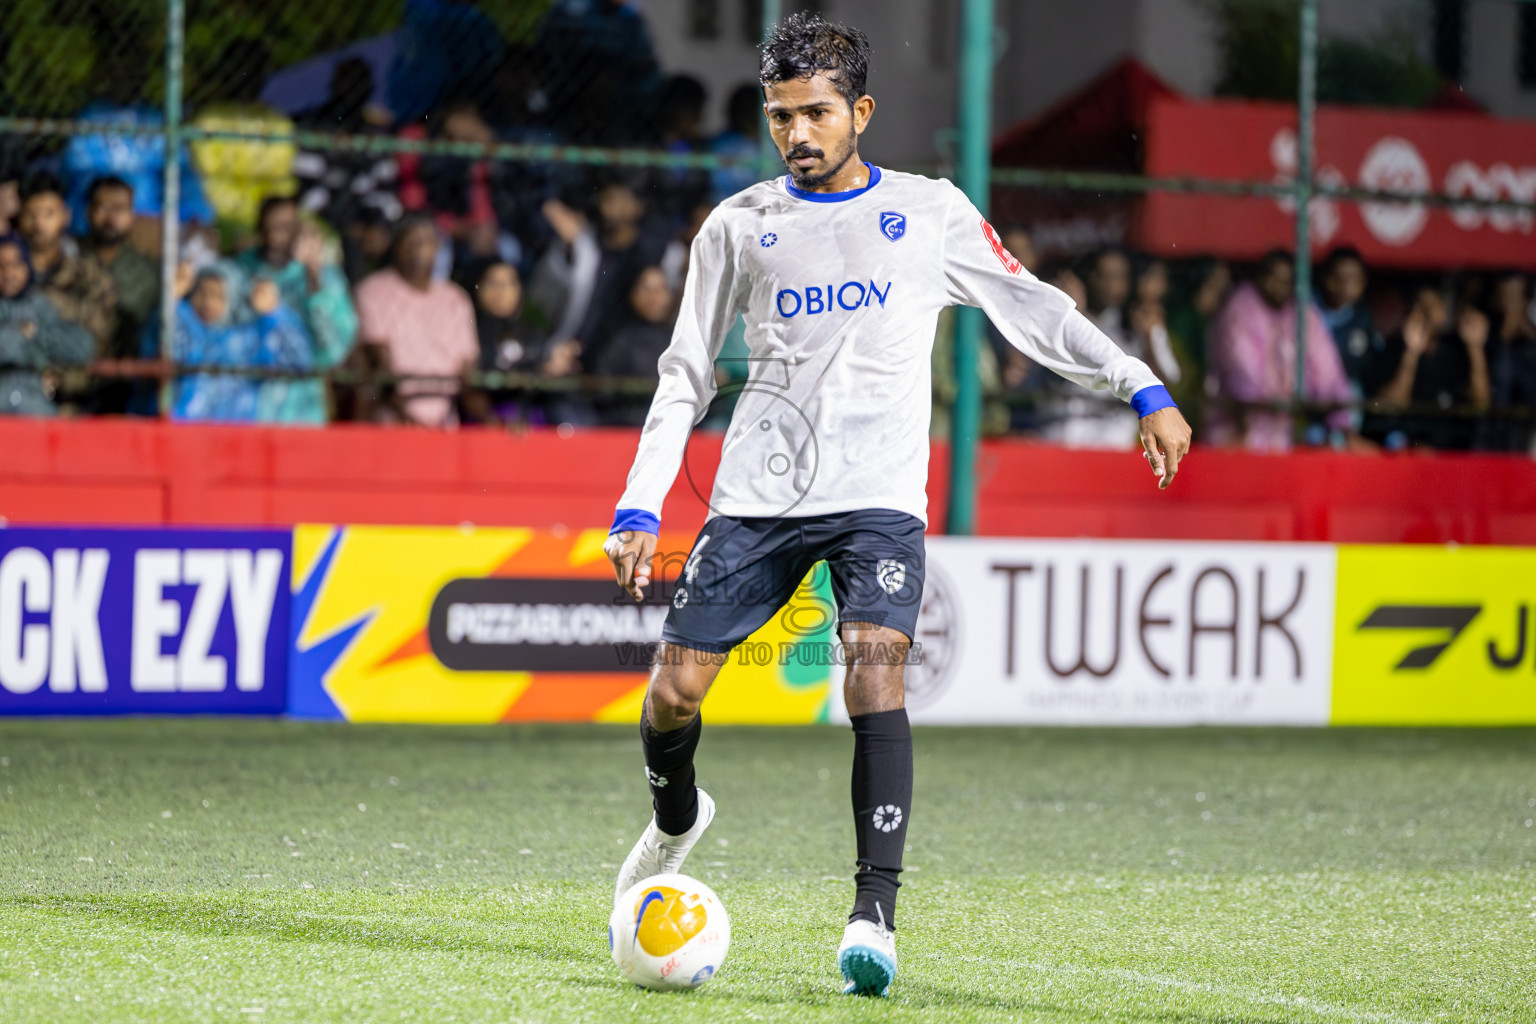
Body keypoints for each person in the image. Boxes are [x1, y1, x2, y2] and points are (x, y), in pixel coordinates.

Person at [600, 14, 1190, 1000]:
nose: (798, 132)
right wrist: (638, 505)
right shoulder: (738, 226)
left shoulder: (929, 212)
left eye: (818, 113)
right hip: (755, 501)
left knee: (875, 678)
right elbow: (684, 374)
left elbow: (1030, 305)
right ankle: (674, 818)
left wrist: (1140, 384)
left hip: (878, 501)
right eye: (782, 114)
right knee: (673, 695)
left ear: (861, 112)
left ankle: (873, 913)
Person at [1204, 250, 1353, 451]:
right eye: (1274, 278)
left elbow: (1328, 372)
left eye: (1287, 280)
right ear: (1261, 278)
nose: (1280, 286)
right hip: (1237, 428)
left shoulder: (1302, 313)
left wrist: (1343, 424)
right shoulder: (1239, 309)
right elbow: (1242, 374)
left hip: (1284, 432)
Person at [234, 196, 359, 424]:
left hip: (301, 407)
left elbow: (332, 351)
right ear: (259, 228)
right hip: (245, 404)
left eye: (287, 225)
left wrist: (313, 279)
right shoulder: (238, 271)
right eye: (271, 224)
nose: (278, 232)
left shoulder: (325, 277)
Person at [353, 217, 479, 426]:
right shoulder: (373, 291)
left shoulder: (456, 299)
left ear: (437, 247)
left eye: (425, 242)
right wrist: (412, 422)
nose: (417, 249)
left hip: (445, 423)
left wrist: (492, 421)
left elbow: (467, 373)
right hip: (391, 420)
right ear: (396, 246)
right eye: (410, 242)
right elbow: (381, 369)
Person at [154, 261, 312, 423]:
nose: (208, 303)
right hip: (182, 434)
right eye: (201, 293)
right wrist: (171, 301)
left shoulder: (250, 337)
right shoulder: (187, 326)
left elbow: (298, 365)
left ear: (234, 298)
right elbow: (159, 347)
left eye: (218, 296)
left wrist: (274, 314)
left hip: (235, 437)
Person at [189, 40, 298, 249]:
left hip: (267, 219)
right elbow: (207, 181)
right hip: (216, 217)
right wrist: (244, 222)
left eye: (257, 70)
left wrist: (267, 221)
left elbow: (281, 182)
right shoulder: (210, 119)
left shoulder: (278, 122)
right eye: (242, 69)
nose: (249, 77)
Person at [1363, 285, 1490, 451]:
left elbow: (1481, 404)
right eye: (1422, 305)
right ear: (1411, 310)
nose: (1428, 313)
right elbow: (1391, 407)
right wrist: (1411, 352)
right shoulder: (1393, 348)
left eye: (1434, 305)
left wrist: (1476, 348)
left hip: (1452, 448)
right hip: (1407, 446)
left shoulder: (1456, 348)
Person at [79, 176, 161, 413]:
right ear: (88, 212)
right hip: (74, 378)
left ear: (132, 216)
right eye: (103, 208)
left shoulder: (149, 273)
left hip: (127, 387)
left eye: (119, 209)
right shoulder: (69, 261)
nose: (110, 218)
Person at [17, 174, 118, 353]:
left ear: (66, 216)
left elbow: (97, 341)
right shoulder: (6, 269)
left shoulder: (89, 273)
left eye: (49, 214)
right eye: (31, 215)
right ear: (19, 219)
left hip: (69, 373)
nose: (39, 224)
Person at [0, 234, 95, 416]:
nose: (8, 273)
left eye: (16, 264)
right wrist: (20, 336)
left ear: (27, 266)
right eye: (1, 266)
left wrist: (37, 335)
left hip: (35, 407)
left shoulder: (40, 305)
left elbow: (83, 347)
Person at [591, 265, 675, 425]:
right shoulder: (616, 338)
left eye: (661, 289)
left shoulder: (679, 339)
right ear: (632, 292)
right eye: (646, 289)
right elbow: (602, 392)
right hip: (626, 428)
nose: (654, 297)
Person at [1479, 271, 1536, 451]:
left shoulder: (1531, 340)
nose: (1508, 302)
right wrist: (1504, 337)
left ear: (1526, 298)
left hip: (1529, 429)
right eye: (1503, 295)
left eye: (1513, 296)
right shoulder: (1488, 337)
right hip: (1493, 430)